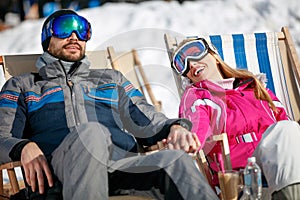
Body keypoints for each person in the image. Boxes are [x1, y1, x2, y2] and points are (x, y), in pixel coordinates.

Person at [0, 10, 218, 200]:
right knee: (91, 134)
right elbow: (2, 136)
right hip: (60, 172)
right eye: (64, 28)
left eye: (82, 30)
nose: (74, 36)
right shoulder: (24, 85)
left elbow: (148, 119)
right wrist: (23, 147)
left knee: (174, 160)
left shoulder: (111, 80)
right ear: (47, 39)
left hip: (119, 166)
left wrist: (175, 127)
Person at [170, 38, 300, 199]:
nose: (190, 64)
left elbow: (286, 123)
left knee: (287, 130)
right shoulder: (197, 96)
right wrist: (187, 137)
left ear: (213, 55)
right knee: (285, 131)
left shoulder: (255, 87)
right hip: (243, 178)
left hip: (281, 164)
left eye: (194, 52)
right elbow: (196, 128)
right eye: (182, 64)